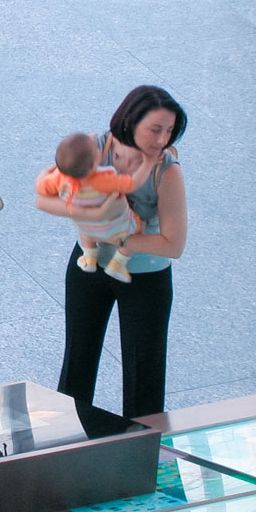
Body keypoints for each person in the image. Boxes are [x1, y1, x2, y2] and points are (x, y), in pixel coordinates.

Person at [36, 86, 188, 418]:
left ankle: (142, 455)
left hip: (145, 279)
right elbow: (43, 197)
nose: (162, 139)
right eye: (155, 129)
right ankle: (64, 447)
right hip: (88, 269)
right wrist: (90, 216)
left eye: (169, 131)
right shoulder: (95, 147)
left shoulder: (167, 171)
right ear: (130, 120)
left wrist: (119, 239)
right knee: (77, 362)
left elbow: (174, 244)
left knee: (143, 377)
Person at [35, 132, 152, 282]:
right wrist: (148, 164)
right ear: (93, 165)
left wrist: (44, 173)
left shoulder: (59, 178)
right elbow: (132, 183)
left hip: (86, 226)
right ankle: (118, 264)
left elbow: (40, 187)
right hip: (115, 227)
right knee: (139, 226)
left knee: (85, 231)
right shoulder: (103, 179)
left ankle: (89, 258)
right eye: (96, 149)